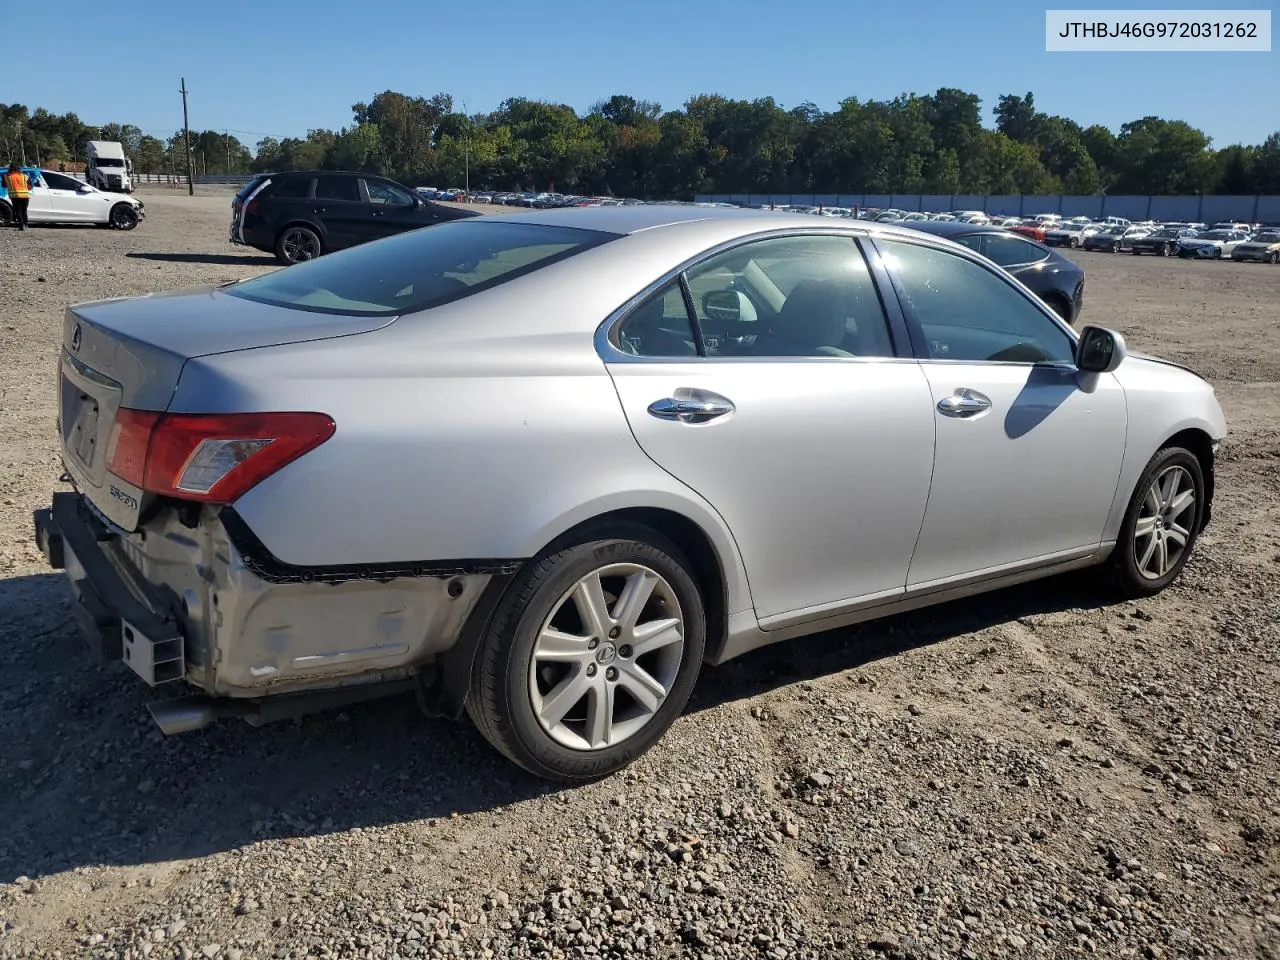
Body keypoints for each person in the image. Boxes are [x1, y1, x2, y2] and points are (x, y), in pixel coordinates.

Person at [3, 163, 33, 230]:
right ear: (19, 169)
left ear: (10, 168)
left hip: (14, 196)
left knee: (18, 211)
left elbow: (4, 185)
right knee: (24, 211)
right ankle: (26, 225)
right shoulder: (25, 176)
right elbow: (30, 187)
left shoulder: (6, 176)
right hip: (25, 196)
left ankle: (21, 225)